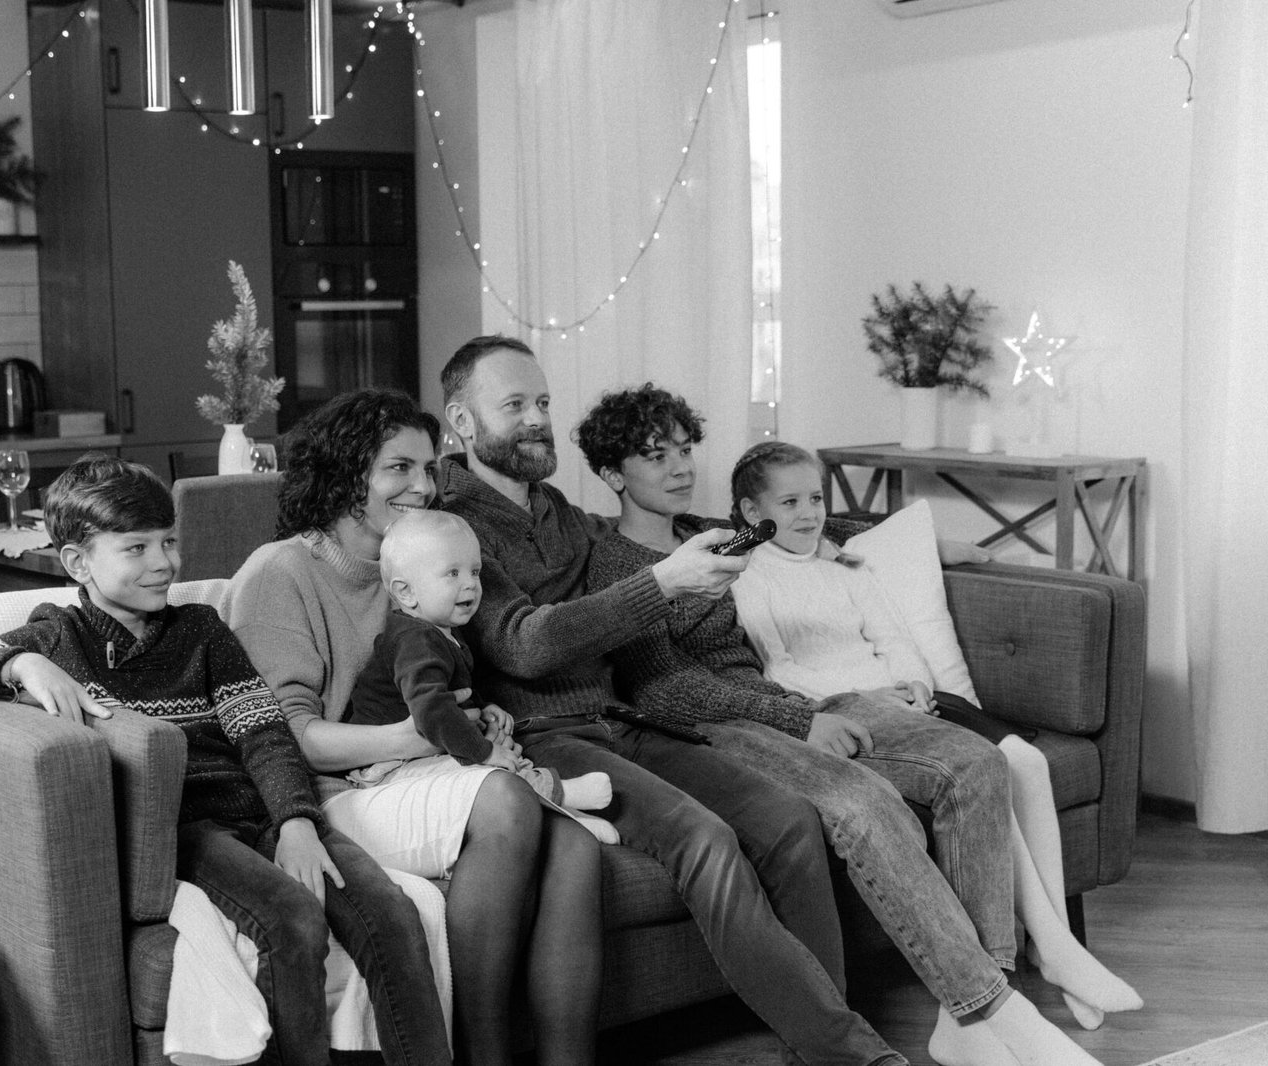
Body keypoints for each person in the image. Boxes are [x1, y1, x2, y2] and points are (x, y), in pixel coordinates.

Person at [573, 383, 1110, 1066]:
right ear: (614, 474)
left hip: (784, 702)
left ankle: (971, 1011)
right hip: (717, 725)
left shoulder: (708, 533)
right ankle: (991, 1009)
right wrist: (800, 721)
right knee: (863, 802)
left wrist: (938, 540)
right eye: (656, 457)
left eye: (685, 450)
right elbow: (666, 689)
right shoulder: (619, 565)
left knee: (976, 764)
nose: (680, 467)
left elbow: (818, 531)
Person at [0, 454, 452, 1066]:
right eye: (136, 548)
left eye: (169, 542)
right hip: (185, 830)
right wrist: (15, 664)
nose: (164, 563)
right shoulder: (56, 638)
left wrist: (295, 821)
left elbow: (262, 730)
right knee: (292, 919)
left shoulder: (201, 630)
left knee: (391, 914)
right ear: (78, 561)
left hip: (262, 809)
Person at [436, 337, 906, 1066]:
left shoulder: (559, 511)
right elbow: (522, 645)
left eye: (544, 404)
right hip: (545, 738)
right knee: (706, 840)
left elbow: (642, 552)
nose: (537, 420)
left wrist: (801, 540)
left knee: (785, 821)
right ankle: (857, 1056)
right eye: (515, 406)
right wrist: (666, 584)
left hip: (624, 720)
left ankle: (822, 1043)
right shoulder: (452, 524)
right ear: (463, 425)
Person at [221, 389, 604, 1066]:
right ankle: (483, 1055)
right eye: (398, 468)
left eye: (429, 468)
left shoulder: (431, 563)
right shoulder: (279, 574)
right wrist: (430, 737)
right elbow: (289, 739)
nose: (424, 487)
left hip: (412, 777)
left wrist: (481, 717)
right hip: (331, 794)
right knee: (508, 799)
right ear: (344, 477)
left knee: (571, 844)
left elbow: (446, 682)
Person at [730, 440, 1143, 1032]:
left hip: (907, 698)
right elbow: (782, 669)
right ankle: (1048, 951)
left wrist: (914, 683)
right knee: (981, 771)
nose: (808, 512)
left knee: (1027, 762)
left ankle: (1050, 945)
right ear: (750, 514)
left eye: (816, 498)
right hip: (851, 706)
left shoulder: (841, 560)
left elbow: (894, 636)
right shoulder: (750, 573)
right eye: (789, 502)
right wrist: (874, 694)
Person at [344, 509, 617, 832]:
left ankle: (555, 804)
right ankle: (559, 797)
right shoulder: (414, 639)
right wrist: (483, 752)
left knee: (500, 759)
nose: (471, 585)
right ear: (406, 592)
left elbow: (453, 689)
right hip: (388, 770)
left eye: (474, 572)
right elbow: (431, 711)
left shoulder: (442, 631)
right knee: (488, 772)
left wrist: (484, 706)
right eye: (452, 574)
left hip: (419, 756)